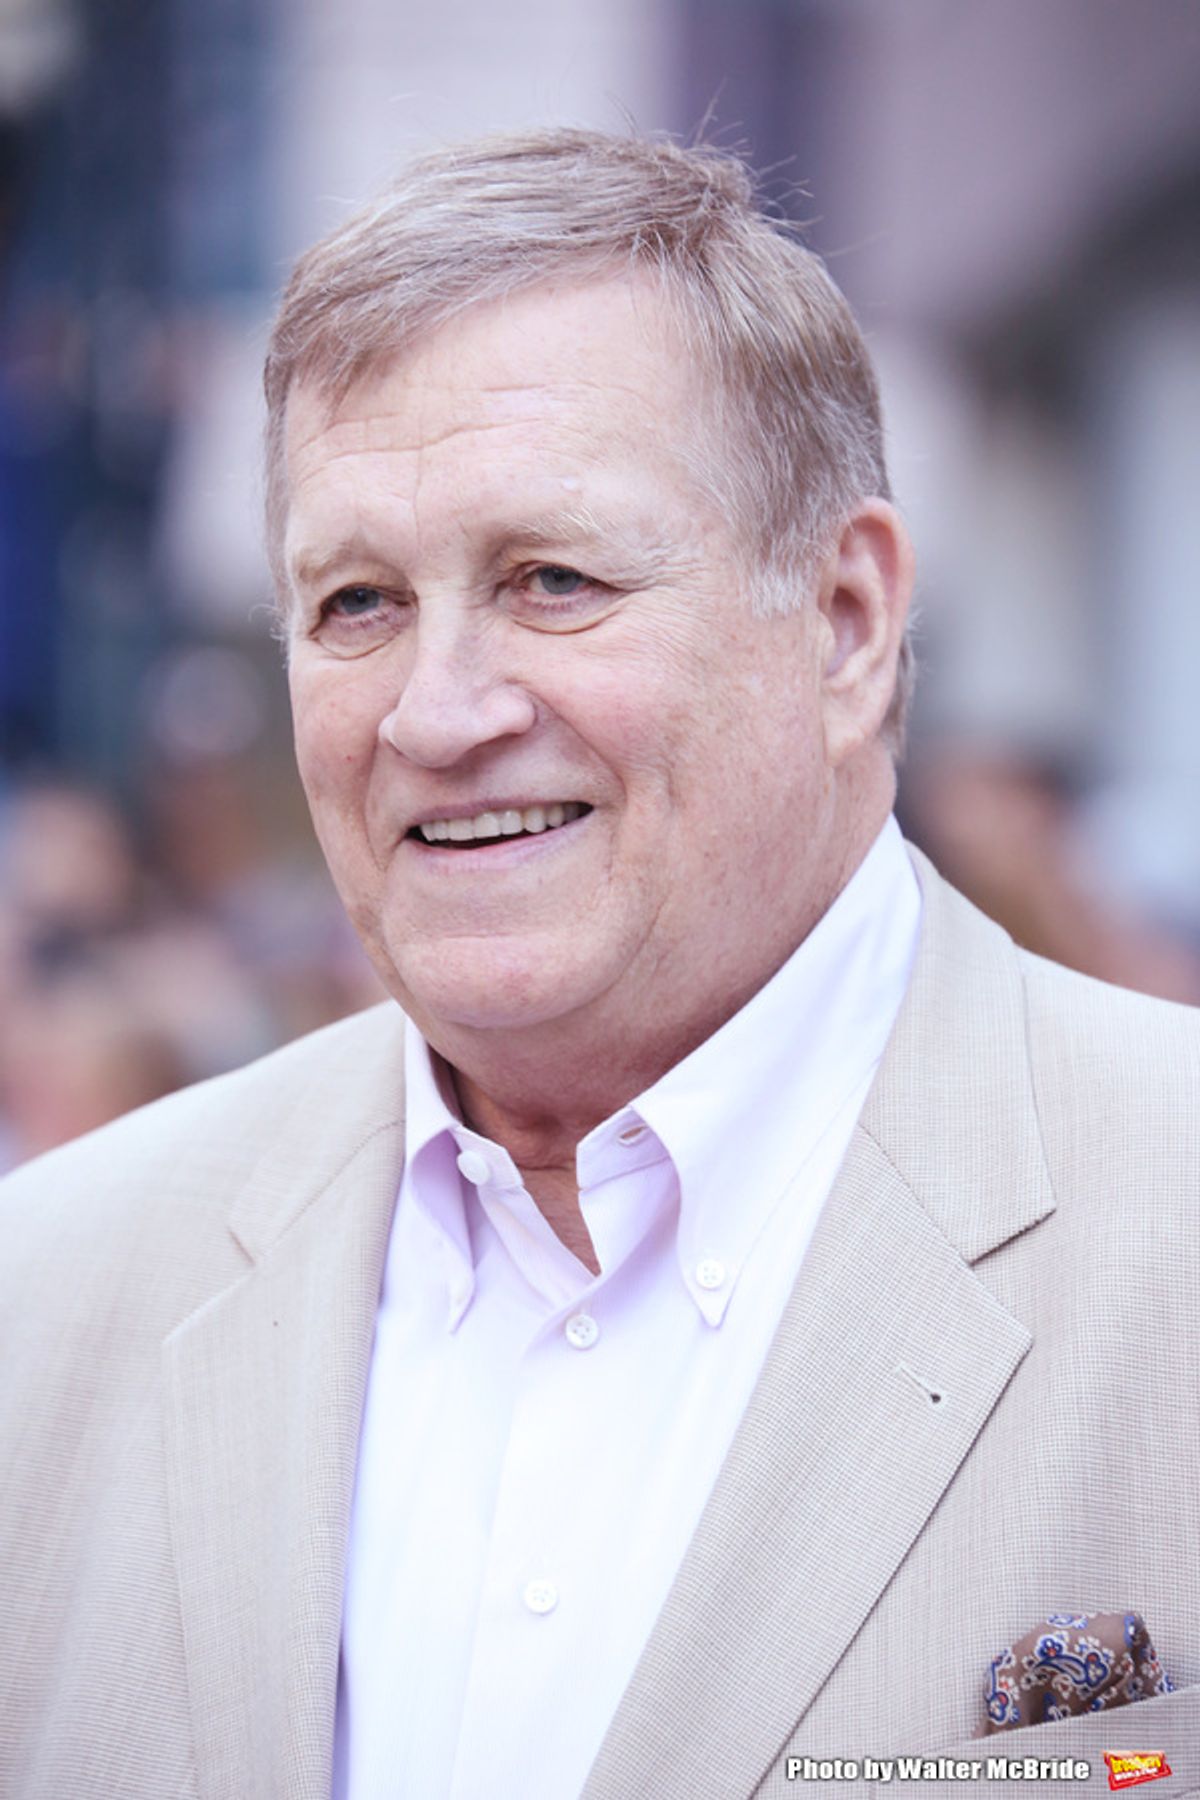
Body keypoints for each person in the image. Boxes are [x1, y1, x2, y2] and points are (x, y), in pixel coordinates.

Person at [2, 129, 1197, 1800]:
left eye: (552, 580)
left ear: (847, 622)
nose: (436, 710)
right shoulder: (49, 1298)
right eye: (355, 605)